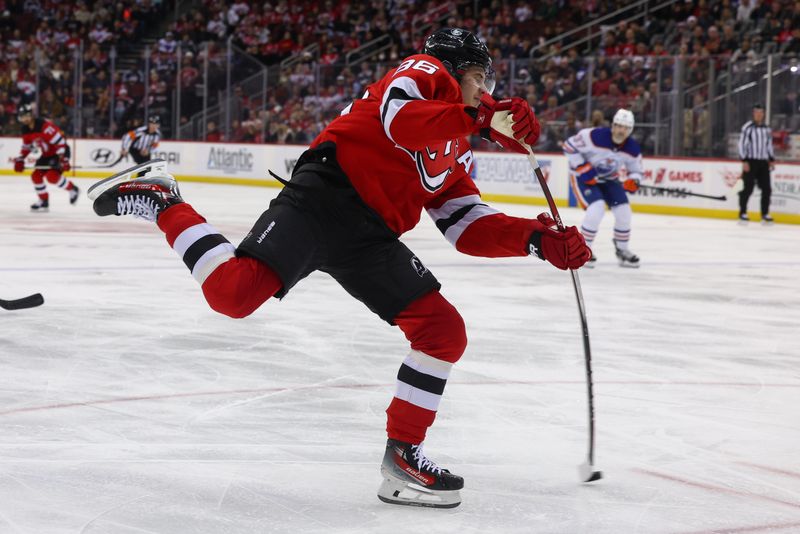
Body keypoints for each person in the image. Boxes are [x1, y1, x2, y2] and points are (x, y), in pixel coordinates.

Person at [88, 28, 591, 508]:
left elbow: (464, 225)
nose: (486, 89)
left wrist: (534, 238)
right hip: (326, 197)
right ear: (458, 69)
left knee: (441, 331)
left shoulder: (456, 148)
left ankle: (402, 458)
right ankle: (162, 199)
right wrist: (479, 117)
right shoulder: (425, 70)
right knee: (233, 294)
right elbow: (400, 119)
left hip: (370, 237)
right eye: (481, 77)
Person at [563, 108, 643, 268]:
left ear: (630, 130)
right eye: (619, 126)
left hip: (609, 180)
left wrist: (633, 181)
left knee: (624, 212)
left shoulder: (632, 149)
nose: (621, 130)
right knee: (597, 208)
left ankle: (622, 250)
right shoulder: (594, 136)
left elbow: (636, 171)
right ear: (613, 125)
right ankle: (582, 249)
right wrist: (582, 167)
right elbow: (568, 146)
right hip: (583, 178)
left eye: (626, 128)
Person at [13, 103, 79, 212]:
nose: (23, 118)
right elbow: (27, 147)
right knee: (36, 176)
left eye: (25, 115)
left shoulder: (44, 126)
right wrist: (20, 159)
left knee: (52, 176)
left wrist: (64, 159)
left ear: (31, 115)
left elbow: (61, 142)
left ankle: (73, 189)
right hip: (47, 155)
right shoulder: (25, 129)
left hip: (59, 152)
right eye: (21, 116)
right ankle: (44, 201)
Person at [737, 103, 775, 225]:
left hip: (763, 163)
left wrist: (771, 159)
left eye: (761, 112)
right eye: (757, 112)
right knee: (747, 188)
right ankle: (743, 212)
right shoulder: (747, 128)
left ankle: (765, 214)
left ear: (763, 114)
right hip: (751, 161)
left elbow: (768, 145)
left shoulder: (767, 129)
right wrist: (744, 161)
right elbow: (742, 145)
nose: (759, 115)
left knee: (767, 189)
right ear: (753, 114)